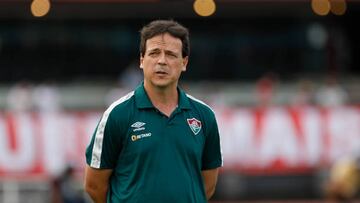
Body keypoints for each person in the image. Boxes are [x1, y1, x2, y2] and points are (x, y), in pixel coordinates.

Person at [84, 20, 223, 203]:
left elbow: (207, 185)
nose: (162, 61)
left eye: (171, 54)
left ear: (184, 62)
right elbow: (94, 185)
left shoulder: (204, 116)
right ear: (142, 60)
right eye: (154, 53)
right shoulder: (118, 114)